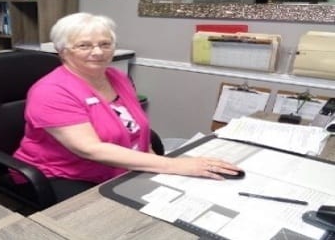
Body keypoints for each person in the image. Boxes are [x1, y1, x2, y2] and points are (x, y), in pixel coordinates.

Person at [13, 12, 242, 200]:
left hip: (116, 166)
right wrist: (173, 165)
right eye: (84, 45)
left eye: (105, 44)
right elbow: (90, 149)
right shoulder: (52, 91)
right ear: (62, 50)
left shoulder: (115, 76)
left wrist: (157, 167)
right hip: (64, 173)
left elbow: (136, 127)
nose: (97, 52)